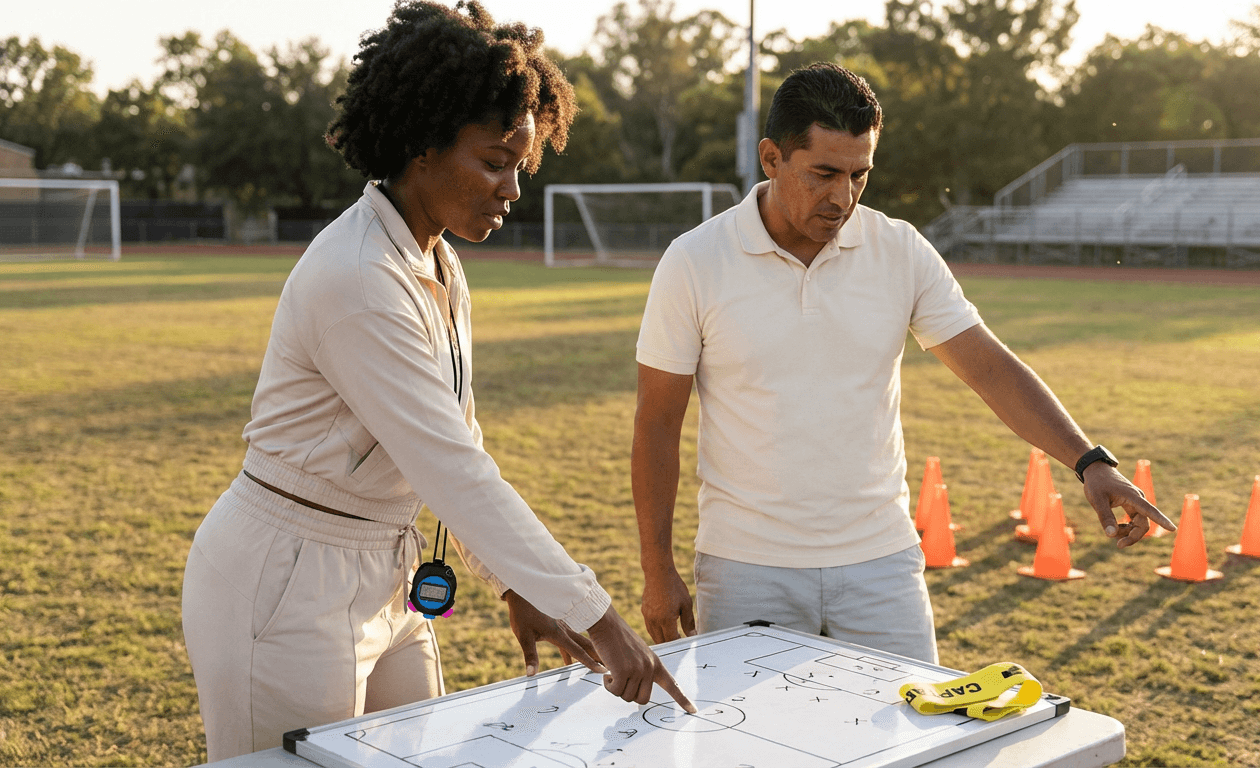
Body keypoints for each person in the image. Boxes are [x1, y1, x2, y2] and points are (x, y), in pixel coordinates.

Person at [181, 2, 689, 760]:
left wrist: (519, 587)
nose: (513, 188)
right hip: (284, 579)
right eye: (493, 161)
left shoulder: (439, 262)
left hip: (389, 569)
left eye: (520, 163)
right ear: (421, 148)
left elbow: (462, 437)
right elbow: (452, 468)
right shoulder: (357, 277)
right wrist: (597, 617)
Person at [632, 62, 1177, 663]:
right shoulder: (694, 261)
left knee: (911, 751)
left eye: (859, 175)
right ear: (771, 158)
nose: (842, 197)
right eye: (823, 174)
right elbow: (657, 423)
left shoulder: (900, 250)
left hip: (880, 564)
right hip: (746, 569)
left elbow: (989, 368)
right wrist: (658, 573)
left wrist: (1089, 462)